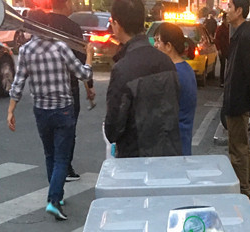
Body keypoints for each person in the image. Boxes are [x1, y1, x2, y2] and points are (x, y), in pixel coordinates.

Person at [8, 18, 94, 221]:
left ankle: (57, 195)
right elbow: (83, 74)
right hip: (63, 109)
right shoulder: (60, 47)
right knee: (62, 158)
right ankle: (54, 200)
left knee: (50, 154)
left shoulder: (26, 50)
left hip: (41, 110)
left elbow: (18, 83)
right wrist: (89, 56)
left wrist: (11, 110)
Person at [104, 0, 182, 158]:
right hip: (169, 157)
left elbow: (113, 130)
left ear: (117, 24)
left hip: (136, 161)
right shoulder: (166, 62)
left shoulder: (122, 69)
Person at [45, 0, 96, 182]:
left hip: (45, 86)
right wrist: (89, 86)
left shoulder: (43, 24)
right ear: (66, 3)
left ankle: (54, 167)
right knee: (67, 128)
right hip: (68, 86)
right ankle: (65, 166)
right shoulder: (73, 27)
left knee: (49, 129)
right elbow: (81, 59)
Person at [222, 0, 250, 197]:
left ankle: (243, 188)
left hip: (238, 99)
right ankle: (243, 185)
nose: (226, 10)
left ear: (239, 11)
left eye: (229, 7)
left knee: (238, 149)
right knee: (237, 147)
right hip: (234, 98)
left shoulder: (245, 36)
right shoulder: (239, 34)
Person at [154, 22, 197, 155]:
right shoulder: (187, 69)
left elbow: (161, 114)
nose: (155, 45)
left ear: (168, 46)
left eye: (158, 41)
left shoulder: (173, 75)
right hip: (182, 144)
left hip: (170, 149)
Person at [215, 12, 230, 86]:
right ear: (223, 19)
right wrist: (219, 49)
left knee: (229, 65)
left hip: (229, 49)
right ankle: (222, 81)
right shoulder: (220, 28)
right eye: (226, 19)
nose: (227, 20)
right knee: (223, 65)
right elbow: (217, 39)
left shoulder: (231, 28)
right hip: (222, 49)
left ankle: (228, 80)